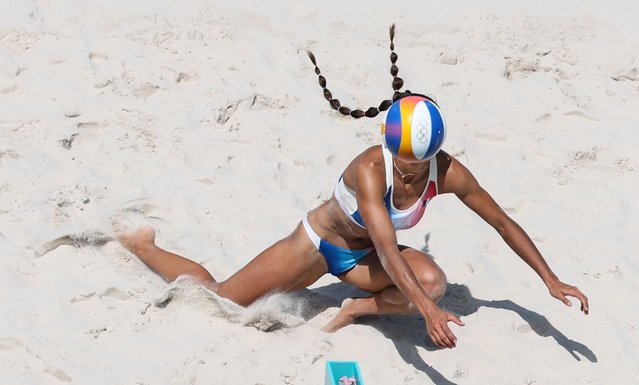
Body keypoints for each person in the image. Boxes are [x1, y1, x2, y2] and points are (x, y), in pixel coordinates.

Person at [118, 25, 588, 349]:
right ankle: (143, 246)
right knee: (223, 302)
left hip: (362, 264)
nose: (410, 173)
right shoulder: (369, 168)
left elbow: (503, 222)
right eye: (404, 163)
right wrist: (425, 312)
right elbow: (386, 246)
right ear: (388, 146)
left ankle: (359, 308)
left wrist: (550, 279)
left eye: (419, 164)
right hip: (319, 244)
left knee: (433, 281)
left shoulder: (446, 171)